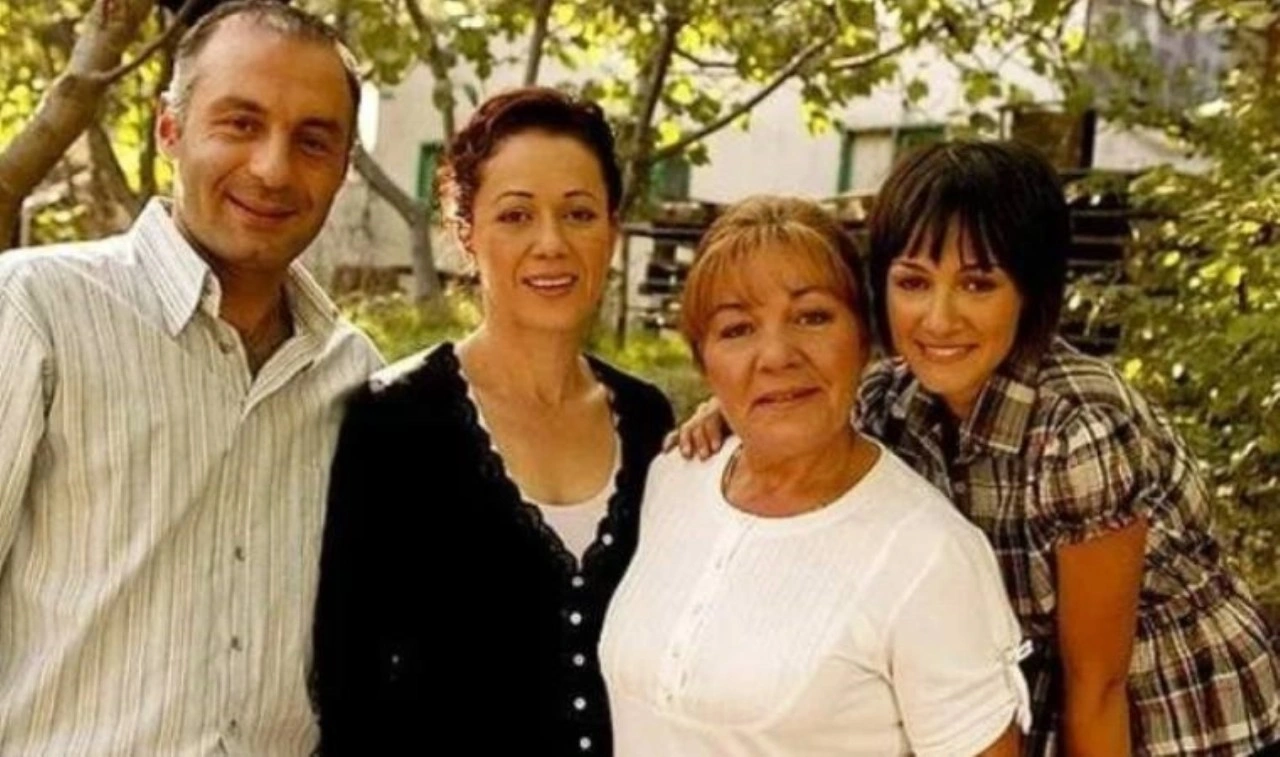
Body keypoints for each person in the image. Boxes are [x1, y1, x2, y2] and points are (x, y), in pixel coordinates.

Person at [675, 142, 1280, 756]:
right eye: (914, 282)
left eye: (977, 284)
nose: (939, 319)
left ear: (1029, 292)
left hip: (1174, 715)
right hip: (1020, 697)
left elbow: (1098, 683)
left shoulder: (1079, 433)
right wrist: (732, 408)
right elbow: (801, 404)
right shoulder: (889, 399)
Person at [0, 2, 381, 753]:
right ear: (169, 129)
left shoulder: (354, 374)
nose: (272, 169)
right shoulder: (34, 311)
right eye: (240, 123)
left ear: (342, 168)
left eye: (312, 141)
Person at [310, 87, 674, 755]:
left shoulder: (651, 421)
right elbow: (348, 686)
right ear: (466, 234)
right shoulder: (393, 421)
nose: (551, 243)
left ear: (613, 231)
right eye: (515, 215)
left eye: (579, 213)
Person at [601, 195, 1029, 756]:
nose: (776, 355)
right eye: (737, 329)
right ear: (704, 362)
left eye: (812, 317)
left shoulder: (930, 555)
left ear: (865, 340)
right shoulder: (676, 478)